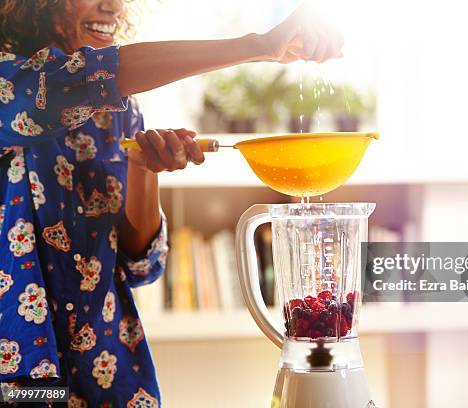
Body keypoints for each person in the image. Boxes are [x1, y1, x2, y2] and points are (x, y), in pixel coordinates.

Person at [0, 0, 343, 405]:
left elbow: (140, 263)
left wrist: (143, 168)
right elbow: (80, 79)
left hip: (106, 374)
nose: (111, 6)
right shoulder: (13, 82)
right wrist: (261, 45)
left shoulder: (118, 112)